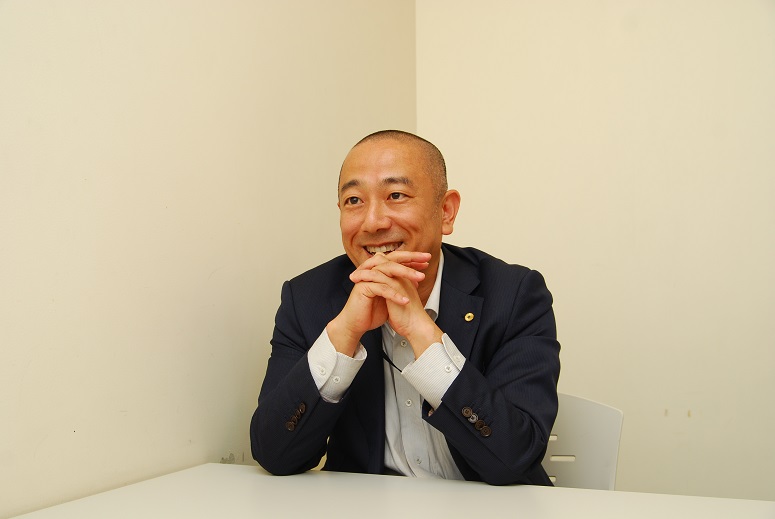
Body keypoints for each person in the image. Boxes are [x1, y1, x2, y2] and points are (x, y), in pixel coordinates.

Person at [250, 130, 560, 485]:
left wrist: (421, 332)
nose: (373, 222)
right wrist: (344, 335)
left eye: (396, 195)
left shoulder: (514, 294)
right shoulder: (307, 298)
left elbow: (516, 458)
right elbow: (274, 454)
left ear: (445, 211)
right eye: (354, 200)